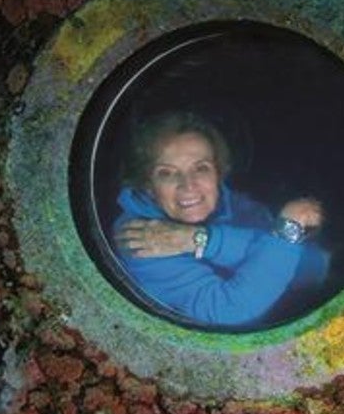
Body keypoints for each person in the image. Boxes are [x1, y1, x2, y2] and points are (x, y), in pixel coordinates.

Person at [112, 111, 330, 327]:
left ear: (218, 173)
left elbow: (312, 269)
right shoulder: (140, 235)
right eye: (166, 173)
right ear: (148, 185)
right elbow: (227, 310)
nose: (188, 185)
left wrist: (200, 240)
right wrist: (284, 233)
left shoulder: (235, 206)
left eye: (201, 168)